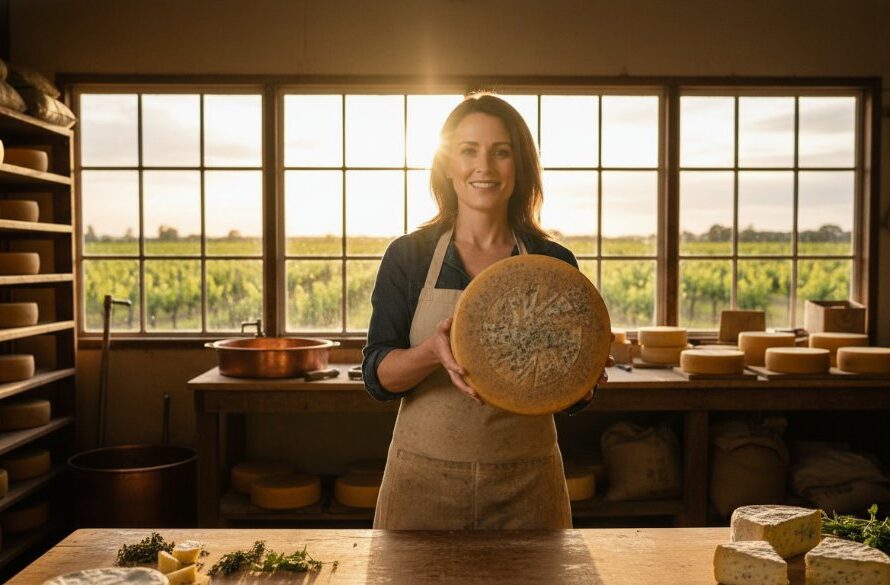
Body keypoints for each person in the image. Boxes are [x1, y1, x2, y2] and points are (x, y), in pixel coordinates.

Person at [362, 93, 609, 530]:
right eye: (468, 151)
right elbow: (378, 378)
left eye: (501, 152)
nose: (485, 167)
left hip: (527, 486)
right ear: (447, 164)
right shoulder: (409, 257)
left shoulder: (553, 262)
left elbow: (570, 399)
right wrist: (432, 352)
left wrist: (582, 376)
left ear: (521, 166)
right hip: (423, 483)